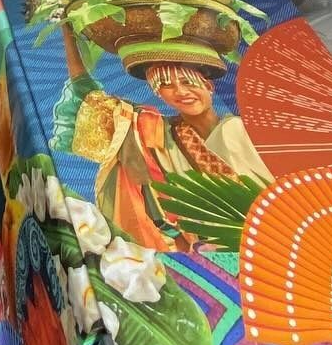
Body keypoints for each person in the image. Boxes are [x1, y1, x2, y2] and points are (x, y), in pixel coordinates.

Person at [54, 31, 269, 255]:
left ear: (209, 86)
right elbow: (90, 102)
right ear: (158, 94)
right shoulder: (155, 133)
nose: (181, 92)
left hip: (268, 237)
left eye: (188, 82)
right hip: (207, 256)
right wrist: (68, 34)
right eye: (166, 85)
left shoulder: (240, 130)